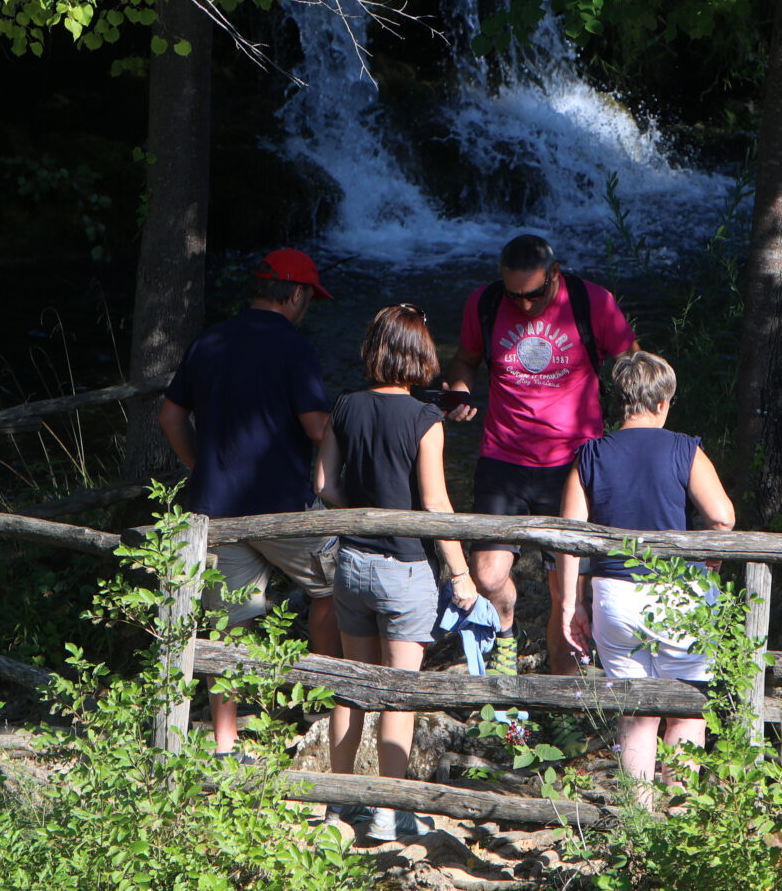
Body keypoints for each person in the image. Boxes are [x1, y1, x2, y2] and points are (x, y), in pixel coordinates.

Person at [158, 247, 342, 762]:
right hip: (282, 507)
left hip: (217, 509)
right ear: (298, 294)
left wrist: (202, 468)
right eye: (311, 297)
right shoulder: (295, 347)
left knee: (227, 627)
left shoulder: (210, 340)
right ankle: (322, 700)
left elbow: (171, 417)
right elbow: (316, 426)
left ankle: (225, 744)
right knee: (335, 583)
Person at [314, 303, 479, 841]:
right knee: (398, 692)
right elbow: (434, 503)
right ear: (421, 355)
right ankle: (388, 811)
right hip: (405, 569)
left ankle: (339, 807)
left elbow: (325, 485)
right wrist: (459, 572)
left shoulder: (344, 406)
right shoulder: (425, 420)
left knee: (351, 688)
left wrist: (358, 513)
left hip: (352, 563)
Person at [442, 234, 638, 676]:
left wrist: (631, 440)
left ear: (555, 273)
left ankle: (561, 693)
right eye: (515, 296)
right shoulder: (486, 304)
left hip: (574, 466)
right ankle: (506, 635)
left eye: (533, 295)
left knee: (565, 591)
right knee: (488, 576)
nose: (525, 306)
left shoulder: (593, 303)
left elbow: (634, 367)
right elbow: (465, 360)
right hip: (502, 460)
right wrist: (458, 389)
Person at [554, 351, 735, 808]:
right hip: (679, 596)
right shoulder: (683, 449)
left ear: (622, 402)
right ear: (663, 402)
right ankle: (678, 819)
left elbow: (570, 536)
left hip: (614, 597)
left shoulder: (591, 454)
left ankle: (639, 820)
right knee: (687, 710)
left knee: (636, 715)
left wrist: (570, 605)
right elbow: (722, 517)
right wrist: (708, 563)